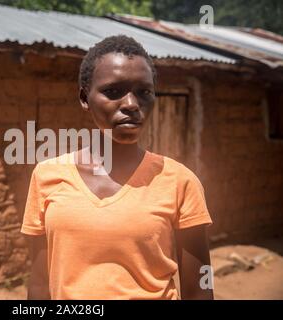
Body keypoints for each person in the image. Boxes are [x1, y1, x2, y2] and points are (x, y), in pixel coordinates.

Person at [20, 35, 213, 300]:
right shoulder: (46, 176)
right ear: (85, 98)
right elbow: (40, 284)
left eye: (144, 92)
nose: (131, 105)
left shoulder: (180, 181)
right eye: (113, 92)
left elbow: (200, 289)